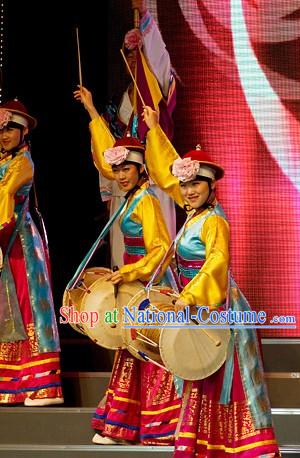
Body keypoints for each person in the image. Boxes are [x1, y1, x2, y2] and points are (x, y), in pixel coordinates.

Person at [143, 106, 280, 457]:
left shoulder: (214, 222)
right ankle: (203, 443)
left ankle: (240, 445)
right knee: (198, 373)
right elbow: (162, 170)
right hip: (193, 304)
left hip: (215, 305)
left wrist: (189, 298)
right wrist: (155, 130)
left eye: (195, 184)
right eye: (184, 184)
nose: (187, 191)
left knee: (223, 378)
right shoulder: (194, 215)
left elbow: (217, 262)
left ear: (211, 185)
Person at [83, 125, 181, 445]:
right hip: (135, 282)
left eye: (127, 168)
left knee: (152, 351)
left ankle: (161, 425)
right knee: (130, 350)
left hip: (150, 283)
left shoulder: (146, 201)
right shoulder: (132, 198)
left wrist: (130, 273)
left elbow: (160, 249)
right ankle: (126, 424)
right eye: (117, 169)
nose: (121, 175)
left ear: (141, 168)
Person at [74, 0, 176, 269]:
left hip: (153, 182)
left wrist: (144, 18)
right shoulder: (120, 103)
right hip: (124, 186)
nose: (133, 61)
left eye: (138, 55)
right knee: (123, 258)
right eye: (128, 56)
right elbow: (109, 145)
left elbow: (160, 59)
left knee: (156, 256)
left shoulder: (156, 93)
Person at [0, 99, 63, 406]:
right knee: (8, 309)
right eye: (1, 128)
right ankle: (12, 382)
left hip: (20, 245)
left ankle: (41, 384)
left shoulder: (23, 163)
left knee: (29, 308)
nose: (5, 134)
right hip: (4, 245)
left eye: (11, 128)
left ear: (24, 131)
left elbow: (5, 197)